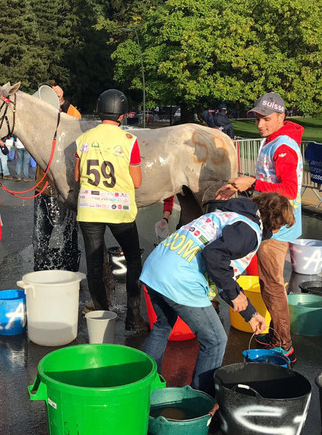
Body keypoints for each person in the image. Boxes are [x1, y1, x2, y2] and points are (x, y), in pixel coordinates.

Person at [141, 192, 294, 395]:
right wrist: (234, 294)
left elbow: (221, 275)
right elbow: (214, 256)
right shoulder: (249, 231)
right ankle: (200, 400)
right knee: (215, 341)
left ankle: (142, 390)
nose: (277, 232)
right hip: (179, 279)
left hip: (156, 267)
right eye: (280, 226)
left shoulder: (225, 215)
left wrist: (250, 313)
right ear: (274, 221)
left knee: (163, 326)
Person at [216, 92, 304, 362]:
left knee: (273, 285)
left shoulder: (283, 146)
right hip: (270, 220)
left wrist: (252, 183)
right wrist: (236, 186)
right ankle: (277, 334)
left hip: (279, 225)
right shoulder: (271, 141)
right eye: (257, 119)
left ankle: (284, 344)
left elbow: (289, 189)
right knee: (268, 283)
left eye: (266, 119)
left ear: (281, 116)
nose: (260, 125)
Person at [75, 89, 148, 330]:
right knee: (134, 259)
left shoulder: (83, 139)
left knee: (94, 264)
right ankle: (133, 316)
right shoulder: (129, 141)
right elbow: (136, 182)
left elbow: (77, 175)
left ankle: (102, 317)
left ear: (99, 110)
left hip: (89, 209)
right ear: (123, 114)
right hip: (119, 210)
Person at [33, 84, 81, 272]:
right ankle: (40, 272)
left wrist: (62, 102)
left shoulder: (70, 113)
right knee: (41, 235)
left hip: (65, 188)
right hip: (43, 188)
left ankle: (70, 273)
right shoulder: (38, 122)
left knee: (69, 234)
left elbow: (75, 122)